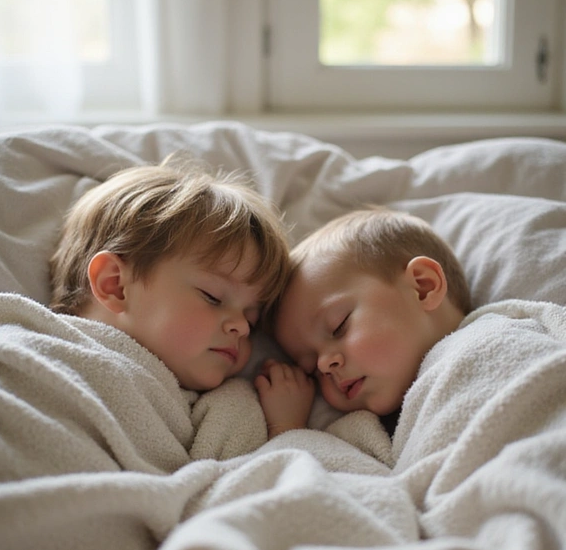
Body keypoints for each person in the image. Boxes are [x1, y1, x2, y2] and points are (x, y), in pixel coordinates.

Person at [50, 159, 291, 392]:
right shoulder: (48, 362)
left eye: (252, 320)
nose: (242, 328)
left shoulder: (230, 404)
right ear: (114, 284)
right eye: (212, 297)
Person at [254, 206, 472, 437]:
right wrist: (289, 428)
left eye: (339, 327)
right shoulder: (362, 433)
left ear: (422, 287)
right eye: (311, 371)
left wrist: (287, 431)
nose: (324, 365)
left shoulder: (492, 344)